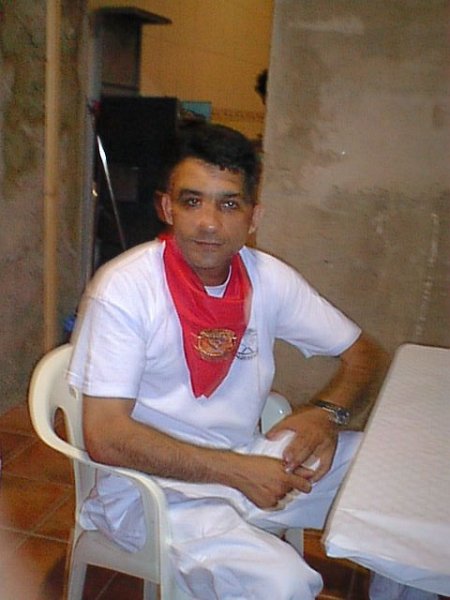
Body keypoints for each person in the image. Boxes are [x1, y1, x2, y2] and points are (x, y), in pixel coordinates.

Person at [67, 122, 387, 599]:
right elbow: (106, 436)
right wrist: (236, 472)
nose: (209, 223)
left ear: (254, 217)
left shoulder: (268, 279)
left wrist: (326, 414)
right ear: (166, 208)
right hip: (150, 495)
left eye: (229, 204)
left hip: (248, 461)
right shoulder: (125, 289)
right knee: (284, 584)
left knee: (392, 481)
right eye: (192, 201)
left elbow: (365, 355)